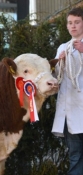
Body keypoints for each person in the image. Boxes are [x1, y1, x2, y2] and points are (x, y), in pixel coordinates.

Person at [51, 7, 83, 175]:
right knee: (75, 155)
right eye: (70, 23)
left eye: (77, 22)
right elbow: (57, 78)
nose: (73, 26)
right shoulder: (62, 47)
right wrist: (59, 63)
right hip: (71, 111)